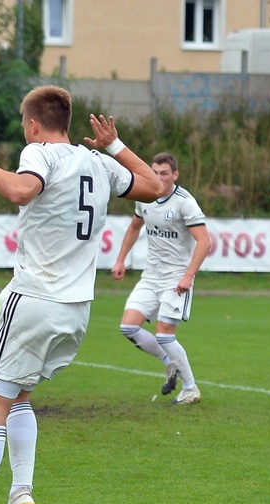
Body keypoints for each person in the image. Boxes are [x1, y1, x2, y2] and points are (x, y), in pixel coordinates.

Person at [0, 85, 165, 504]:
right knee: (18, 398)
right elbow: (156, 187)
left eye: (25, 124)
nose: (25, 131)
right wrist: (116, 144)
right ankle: (19, 493)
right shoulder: (98, 163)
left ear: (34, 124)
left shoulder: (40, 153)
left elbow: (21, 191)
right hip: (76, 311)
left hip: (34, 299)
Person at [111, 152, 210, 406]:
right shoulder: (145, 198)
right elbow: (135, 227)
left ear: (175, 175)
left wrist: (189, 275)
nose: (159, 178)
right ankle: (170, 364)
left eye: (164, 173)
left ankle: (190, 389)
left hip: (176, 278)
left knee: (165, 335)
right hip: (151, 276)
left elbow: (204, 241)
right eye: (154, 172)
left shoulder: (184, 202)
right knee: (128, 327)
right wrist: (121, 259)